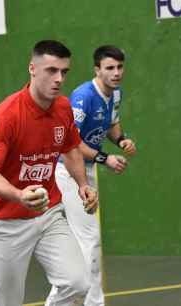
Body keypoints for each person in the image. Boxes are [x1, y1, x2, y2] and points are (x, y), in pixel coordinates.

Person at [0, 40, 99, 306]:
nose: (59, 78)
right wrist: (19, 195)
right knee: (8, 301)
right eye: (51, 70)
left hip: (48, 213)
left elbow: (71, 148)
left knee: (77, 281)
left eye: (64, 72)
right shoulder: (7, 115)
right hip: (4, 221)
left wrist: (82, 185)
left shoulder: (63, 108)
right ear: (32, 68)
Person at [48, 45, 136, 306]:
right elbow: (69, 143)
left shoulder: (116, 94)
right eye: (110, 68)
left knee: (83, 240)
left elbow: (111, 124)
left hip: (86, 171)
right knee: (89, 240)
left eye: (120, 67)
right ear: (97, 69)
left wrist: (121, 141)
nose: (116, 72)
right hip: (67, 170)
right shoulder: (82, 96)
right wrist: (105, 158)